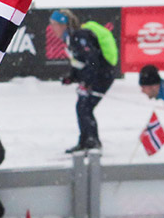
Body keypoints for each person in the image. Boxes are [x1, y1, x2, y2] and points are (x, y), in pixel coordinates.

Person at [50, 9, 117, 153]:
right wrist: (72, 77)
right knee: (82, 107)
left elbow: (92, 61)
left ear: (64, 24)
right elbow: (79, 61)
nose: (52, 28)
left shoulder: (79, 36)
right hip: (98, 75)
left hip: (103, 75)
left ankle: (91, 142)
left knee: (84, 107)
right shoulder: (73, 37)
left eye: (54, 24)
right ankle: (87, 141)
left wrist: (86, 83)